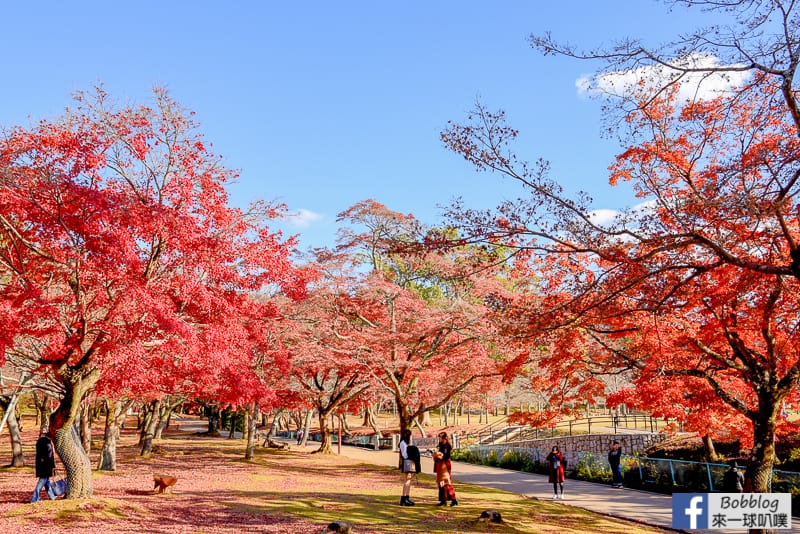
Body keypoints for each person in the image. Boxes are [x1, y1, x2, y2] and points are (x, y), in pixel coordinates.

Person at [31, 433, 57, 502]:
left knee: (47, 482)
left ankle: (52, 497)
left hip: (41, 465)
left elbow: (41, 455)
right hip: (46, 466)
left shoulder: (39, 442)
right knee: (42, 481)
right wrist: (52, 465)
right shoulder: (47, 442)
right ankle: (34, 498)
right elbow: (49, 455)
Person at [434, 432, 457, 506]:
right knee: (441, 483)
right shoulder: (440, 445)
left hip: (445, 465)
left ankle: (453, 499)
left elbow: (446, 456)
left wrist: (440, 455)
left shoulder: (447, 446)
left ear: (444, 438)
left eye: (440, 437)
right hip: (440, 465)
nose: (439, 439)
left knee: (447, 482)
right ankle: (443, 500)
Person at [397, 429, 417, 506]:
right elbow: (405, 454)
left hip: (408, 461)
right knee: (407, 480)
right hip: (407, 461)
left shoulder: (404, 443)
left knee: (408, 480)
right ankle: (404, 498)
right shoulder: (403, 443)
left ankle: (406, 497)